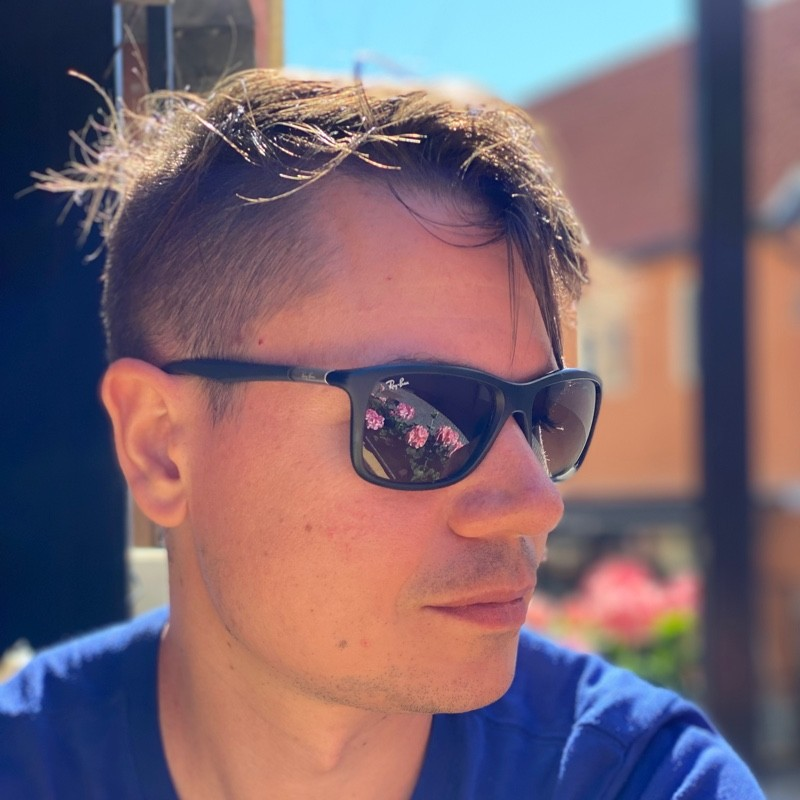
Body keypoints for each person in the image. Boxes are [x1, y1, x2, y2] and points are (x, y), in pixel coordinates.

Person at [0, 69, 764, 799]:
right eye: (415, 416)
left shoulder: (641, 779)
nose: (538, 503)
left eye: (544, 414)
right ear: (160, 447)